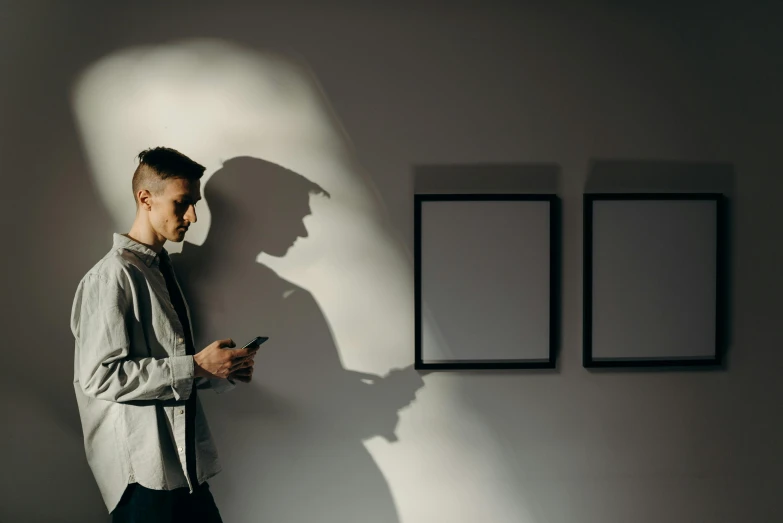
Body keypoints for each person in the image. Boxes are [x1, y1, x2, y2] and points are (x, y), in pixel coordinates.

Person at [70, 146, 260, 522]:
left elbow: (169, 366)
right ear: (145, 198)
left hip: (183, 468)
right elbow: (100, 376)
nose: (192, 215)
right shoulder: (112, 277)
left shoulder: (162, 271)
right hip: (143, 477)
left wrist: (218, 370)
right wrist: (195, 366)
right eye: (182, 202)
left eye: (195, 203)